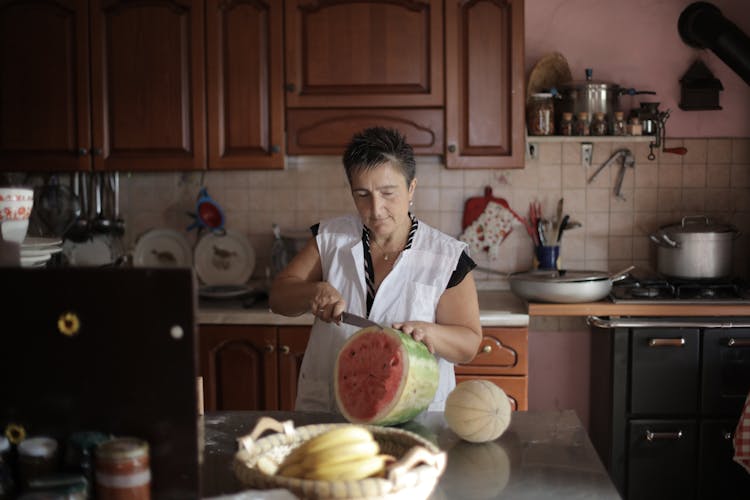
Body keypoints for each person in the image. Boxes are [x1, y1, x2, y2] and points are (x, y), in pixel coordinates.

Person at [269, 126, 482, 413]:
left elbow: (469, 344)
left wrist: (428, 332)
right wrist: (311, 291)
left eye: (388, 193)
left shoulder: (446, 257)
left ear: (411, 189)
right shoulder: (329, 238)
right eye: (363, 194)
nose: (376, 208)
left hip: (416, 414)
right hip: (330, 409)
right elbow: (279, 296)